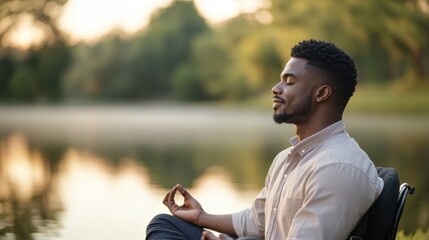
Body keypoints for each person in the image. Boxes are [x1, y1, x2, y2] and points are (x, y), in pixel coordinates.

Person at [146, 39, 384, 240]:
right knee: (165, 224)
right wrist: (201, 217)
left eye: (289, 82)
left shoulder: (337, 168)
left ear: (322, 93)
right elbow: (259, 220)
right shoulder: (289, 158)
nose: (276, 88)